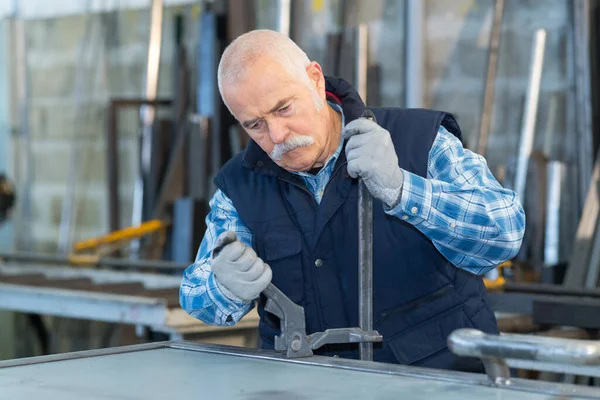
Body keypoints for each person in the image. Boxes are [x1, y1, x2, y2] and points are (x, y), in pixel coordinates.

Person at [179, 29, 525, 372]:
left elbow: (505, 232)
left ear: (315, 79)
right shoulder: (239, 184)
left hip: (439, 383)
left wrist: (404, 189)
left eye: (284, 108)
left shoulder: (419, 139)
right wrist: (223, 285)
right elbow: (195, 297)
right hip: (307, 387)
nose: (277, 136)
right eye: (255, 124)